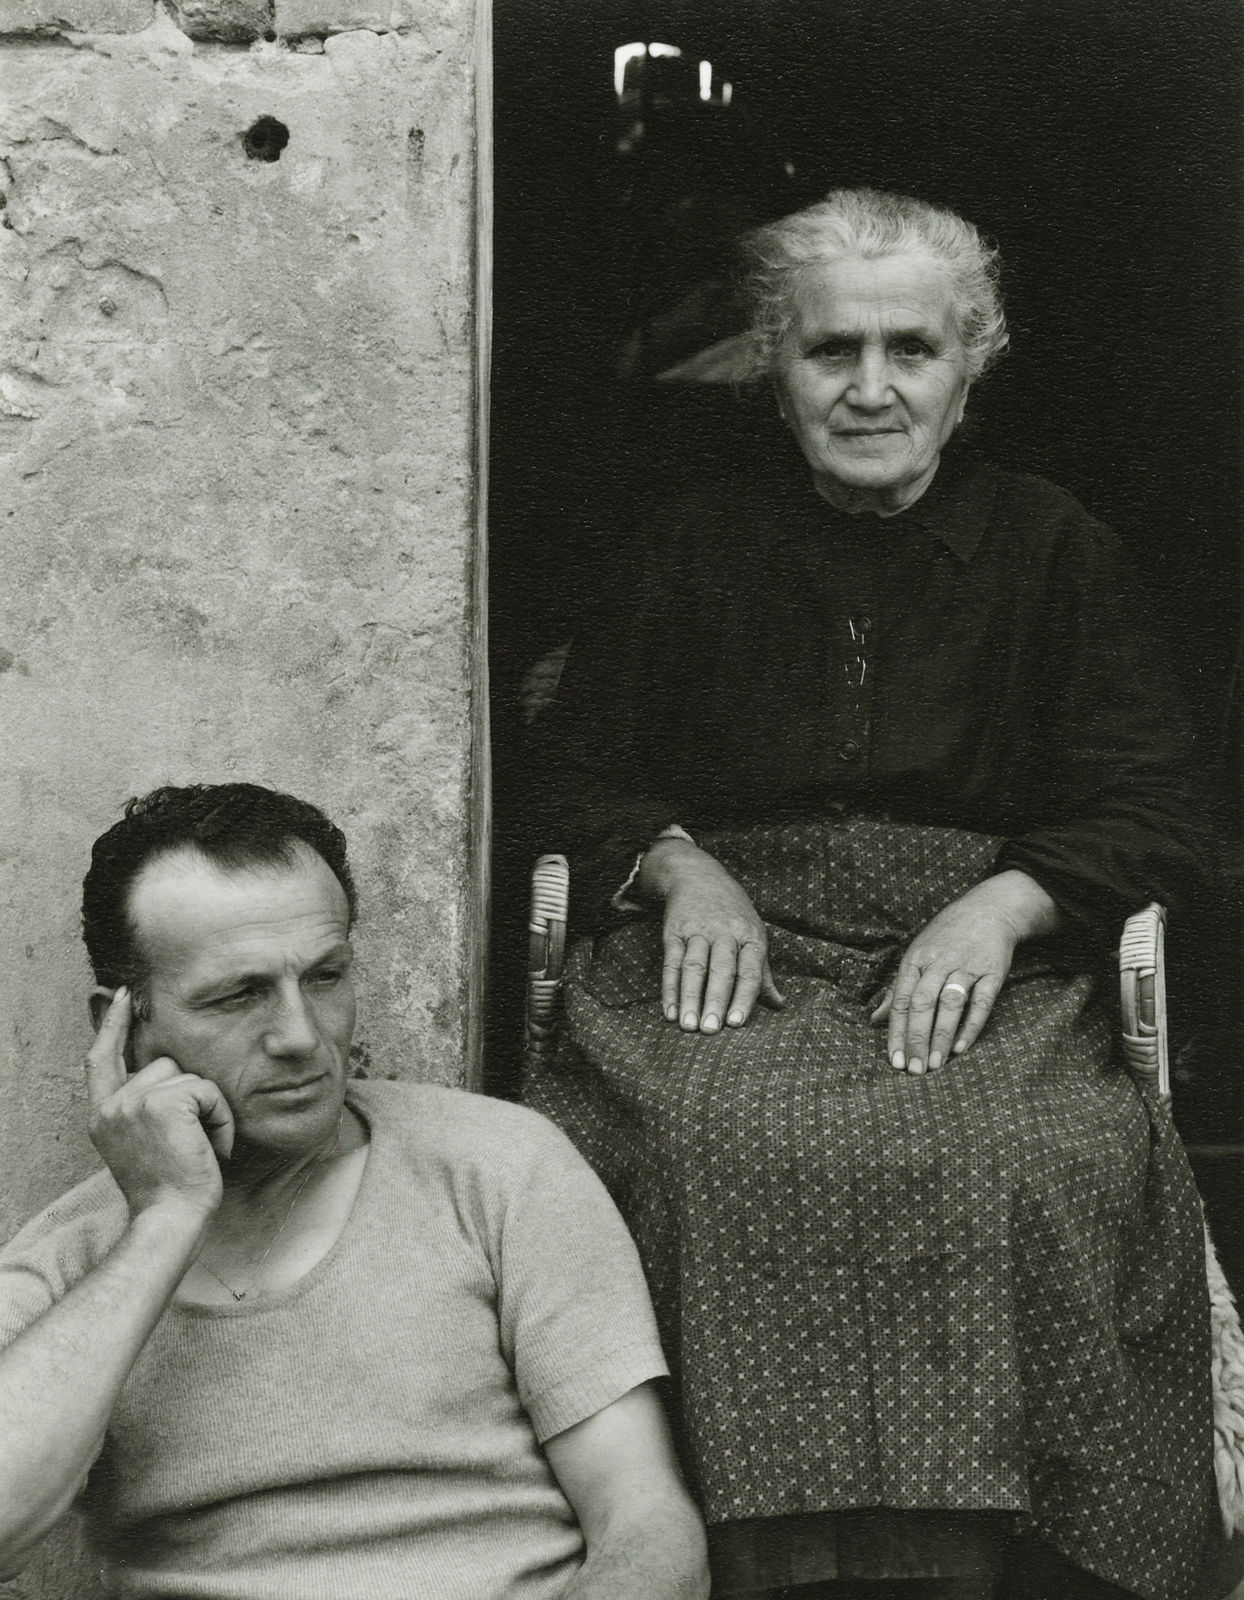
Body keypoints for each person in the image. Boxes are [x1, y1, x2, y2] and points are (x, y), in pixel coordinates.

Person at [524, 189, 1216, 1600]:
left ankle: (997, 1559)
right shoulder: (689, 544)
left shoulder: (1055, 548)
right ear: (772, 370)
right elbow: (564, 771)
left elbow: (1154, 808)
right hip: (726, 947)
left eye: (914, 348)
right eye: (831, 350)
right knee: (705, 1141)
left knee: (1018, 1156)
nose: (872, 388)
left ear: (973, 366)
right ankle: (724, 1551)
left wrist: (1007, 905)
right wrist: (677, 862)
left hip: (985, 948)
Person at [0, 783, 709, 1600]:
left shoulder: (498, 1169)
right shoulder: (73, 1264)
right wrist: (163, 1221)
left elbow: (647, 1529)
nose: (301, 1037)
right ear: (123, 1028)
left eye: (326, 976)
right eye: (239, 994)